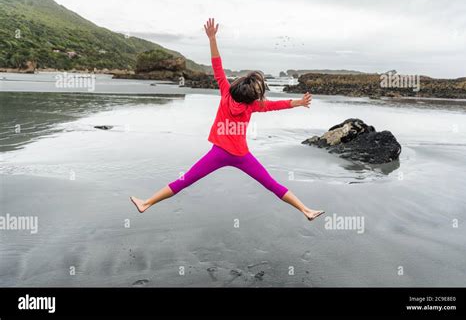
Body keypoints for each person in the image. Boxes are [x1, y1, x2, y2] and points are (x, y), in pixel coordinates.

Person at [130, 18, 324, 221]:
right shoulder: (253, 106)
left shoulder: (225, 94)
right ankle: (305, 210)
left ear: (236, 87)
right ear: (251, 96)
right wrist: (299, 102)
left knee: (184, 180)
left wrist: (212, 38)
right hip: (242, 156)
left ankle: (146, 203)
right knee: (271, 184)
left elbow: (217, 65)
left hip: (218, 154)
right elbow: (277, 105)